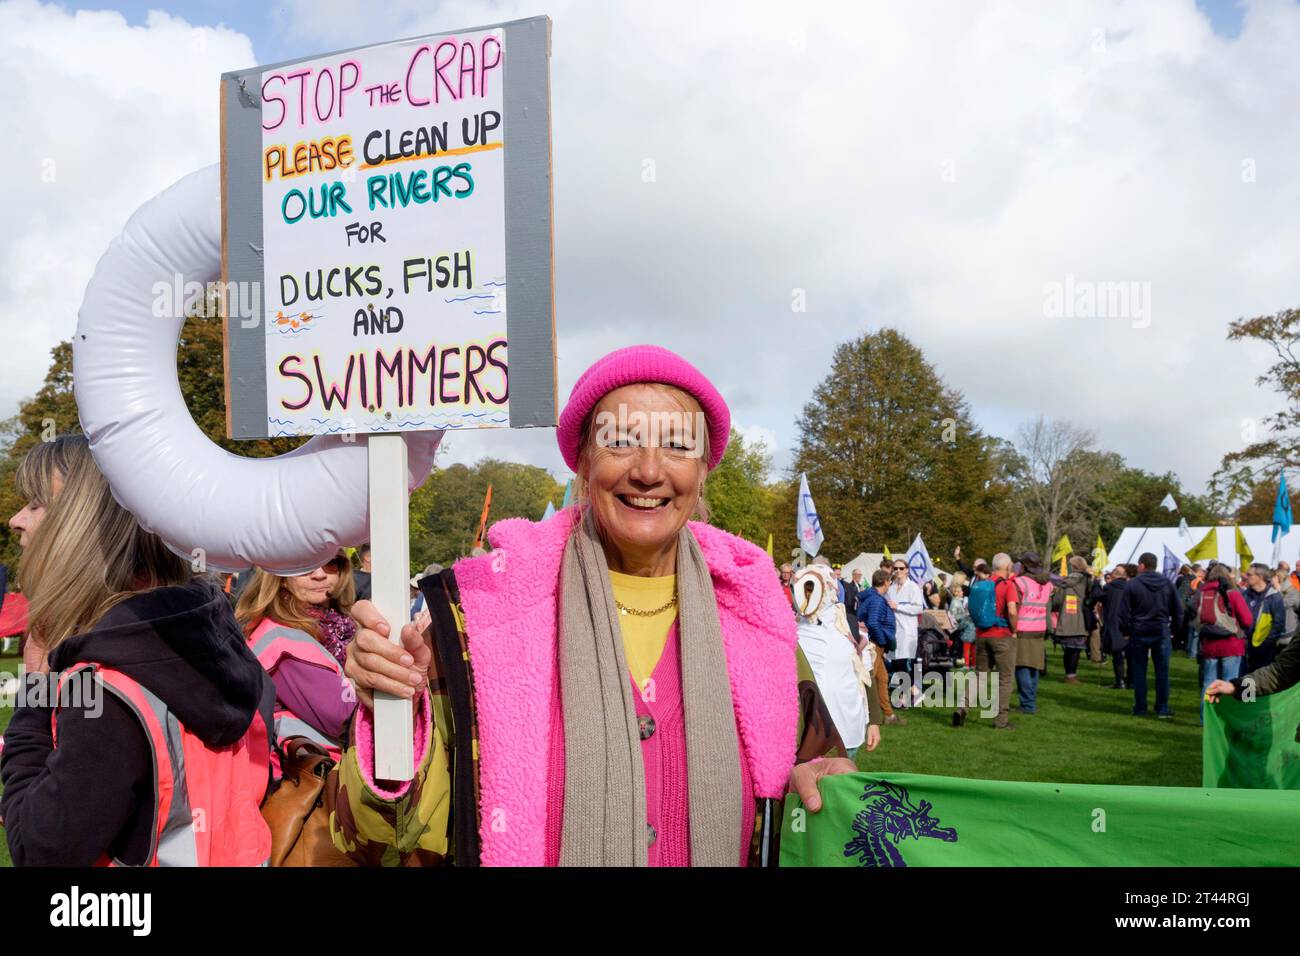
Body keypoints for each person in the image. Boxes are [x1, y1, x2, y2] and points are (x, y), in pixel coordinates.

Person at [335, 345, 868, 866]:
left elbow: (811, 771)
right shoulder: (479, 623)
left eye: (678, 446)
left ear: (704, 469)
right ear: (584, 464)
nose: (648, 471)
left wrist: (815, 784)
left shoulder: (755, 619)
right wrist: (393, 705)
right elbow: (388, 832)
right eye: (622, 443)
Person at [1, 435, 274, 866]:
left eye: (35, 503)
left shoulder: (106, 688)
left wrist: (36, 695)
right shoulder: (217, 644)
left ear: (83, 528)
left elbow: (40, 849)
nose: (16, 519)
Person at [234, 554, 358, 761]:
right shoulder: (282, 640)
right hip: (314, 778)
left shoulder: (341, 626)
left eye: (330, 562)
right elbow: (346, 717)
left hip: (337, 770)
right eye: (304, 564)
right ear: (280, 576)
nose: (319, 575)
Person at [792, 564, 880, 756]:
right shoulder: (791, 630)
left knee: (842, 783)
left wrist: (874, 721)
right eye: (804, 588)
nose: (807, 594)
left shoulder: (848, 626)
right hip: (806, 731)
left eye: (811, 587)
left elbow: (866, 673)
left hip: (847, 725)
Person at [954, 552, 1018, 729]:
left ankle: (962, 708)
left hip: (982, 636)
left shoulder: (981, 585)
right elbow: (1012, 610)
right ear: (1007, 566)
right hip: (1002, 636)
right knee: (1005, 679)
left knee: (979, 676)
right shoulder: (1008, 585)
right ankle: (1001, 720)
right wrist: (1014, 629)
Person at [1119, 551, 1182, 718]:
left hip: (1139, 629)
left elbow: (1123, 612)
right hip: (1161, 629)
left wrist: (1125, 630)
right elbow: (1178, 611)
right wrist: (1176, 632)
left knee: (1139, 671)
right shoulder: (1167, 583)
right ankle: (1162, 707)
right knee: (1162, 671)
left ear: (1141, 565)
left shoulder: (1132, 584)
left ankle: (1140, 707)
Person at [1192, 563, 1252, 723]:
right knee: (1230, 682)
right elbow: (1246, 619)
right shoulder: (1232, 593)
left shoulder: (1202, 592)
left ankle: (1205, 718)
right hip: (1231, 644)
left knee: (1208, 684)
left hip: (1210, 644)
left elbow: (1192, 615)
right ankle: (1226, 718)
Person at [857, 568, 903, 725]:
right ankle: (862, 715)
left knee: (882, 678)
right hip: (875, 643)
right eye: (889, 581)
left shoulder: (872, 596)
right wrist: (882, 641)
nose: (890, 584)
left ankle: (889, 715)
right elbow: (873, 622)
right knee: (868, 679)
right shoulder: (876, 599)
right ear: (885, 582)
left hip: (875, 642)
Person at [1012, 551, 1052, 714]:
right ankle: (1030, 701)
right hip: (1039, 628)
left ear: (1024, 565)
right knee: (1034, 666)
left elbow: (1015, 607)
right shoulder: (1047, 584)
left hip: (1022, 628)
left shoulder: (1020, 582)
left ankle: (1027, 704)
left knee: (1021, 666)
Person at [886, 559, 925, 707]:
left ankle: (906, 695)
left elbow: (918, 608)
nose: (898, 571)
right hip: (894, 630)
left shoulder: (913, 587)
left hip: (907, 631)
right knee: (896, 663)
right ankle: (913, 691)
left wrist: (899, 607)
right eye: (895, 568)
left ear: (907, 570)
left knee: (902, 662)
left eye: (901, 568)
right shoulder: (891, 588)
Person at [1051, 556, 1091, 682]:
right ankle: (1070, 675)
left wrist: (1048, 576)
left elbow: (1058, 597)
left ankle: (1071, 675)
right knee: (1073, 649)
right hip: (1077, 618)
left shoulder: (1075, 578)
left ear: (1074, 566)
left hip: (1074, 618)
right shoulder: (1085, 578)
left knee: (1072, 649)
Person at [1240, 562, 1286, 672]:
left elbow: (1278, 623)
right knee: (1245, 681)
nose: (1246, 577)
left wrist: (1267, 643)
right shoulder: (1244, 595)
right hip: (1245, 645)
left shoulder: (1274, 597)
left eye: (1249, 575)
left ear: (1260, 577)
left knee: (1261, 681)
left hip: (1265, 648)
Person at [1098, 564, 1130, 688]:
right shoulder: (1130, 587)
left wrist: (1096, 583)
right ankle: (1128, 681)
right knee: (1127, 654)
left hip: (1114, 623)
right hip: (1127, 622)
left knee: (1117, 654)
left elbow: (1096, 596)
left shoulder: (1109, 587)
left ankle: (1120, 681)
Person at [842, 568, 863, 642]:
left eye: (860, 575)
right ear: (853, 575)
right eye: (858, 575)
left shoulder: (861, 586)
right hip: (852, 613)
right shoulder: (849, 586)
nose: (859, 577)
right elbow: (850, 600)